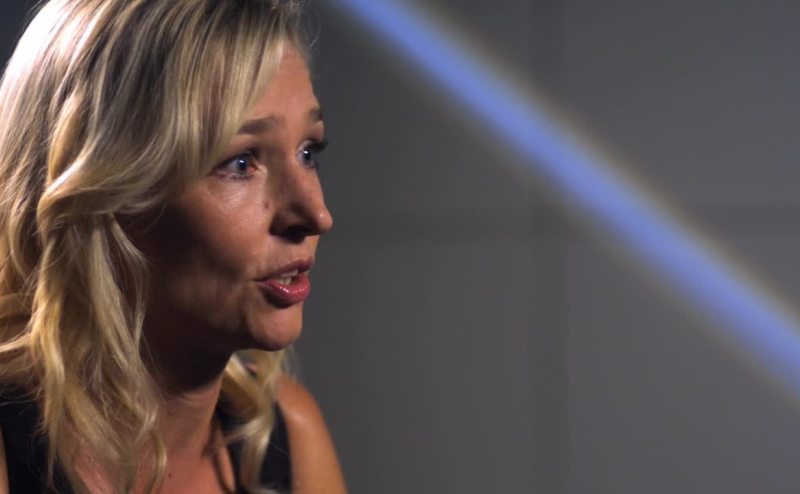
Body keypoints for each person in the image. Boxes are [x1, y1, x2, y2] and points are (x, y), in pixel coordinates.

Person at [0, 0, 347, 492]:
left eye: (308, 151)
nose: (316, 215)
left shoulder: (289, 436)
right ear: (102, 194)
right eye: (241, 163)